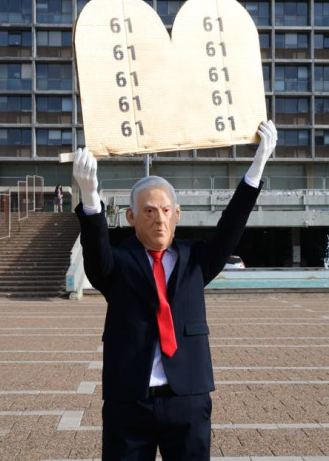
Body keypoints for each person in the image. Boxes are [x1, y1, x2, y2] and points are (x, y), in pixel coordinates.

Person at [73, 120, 276, 460]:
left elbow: (231, 226)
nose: (159, 219)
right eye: (149, 211)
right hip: (129, 399)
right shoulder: (118, 264)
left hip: (187, 398)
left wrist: (258, 165)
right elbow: (95, 257)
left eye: (166, 211)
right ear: (131, 217)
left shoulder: (197, 260)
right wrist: (90, 197)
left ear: (177, 214)